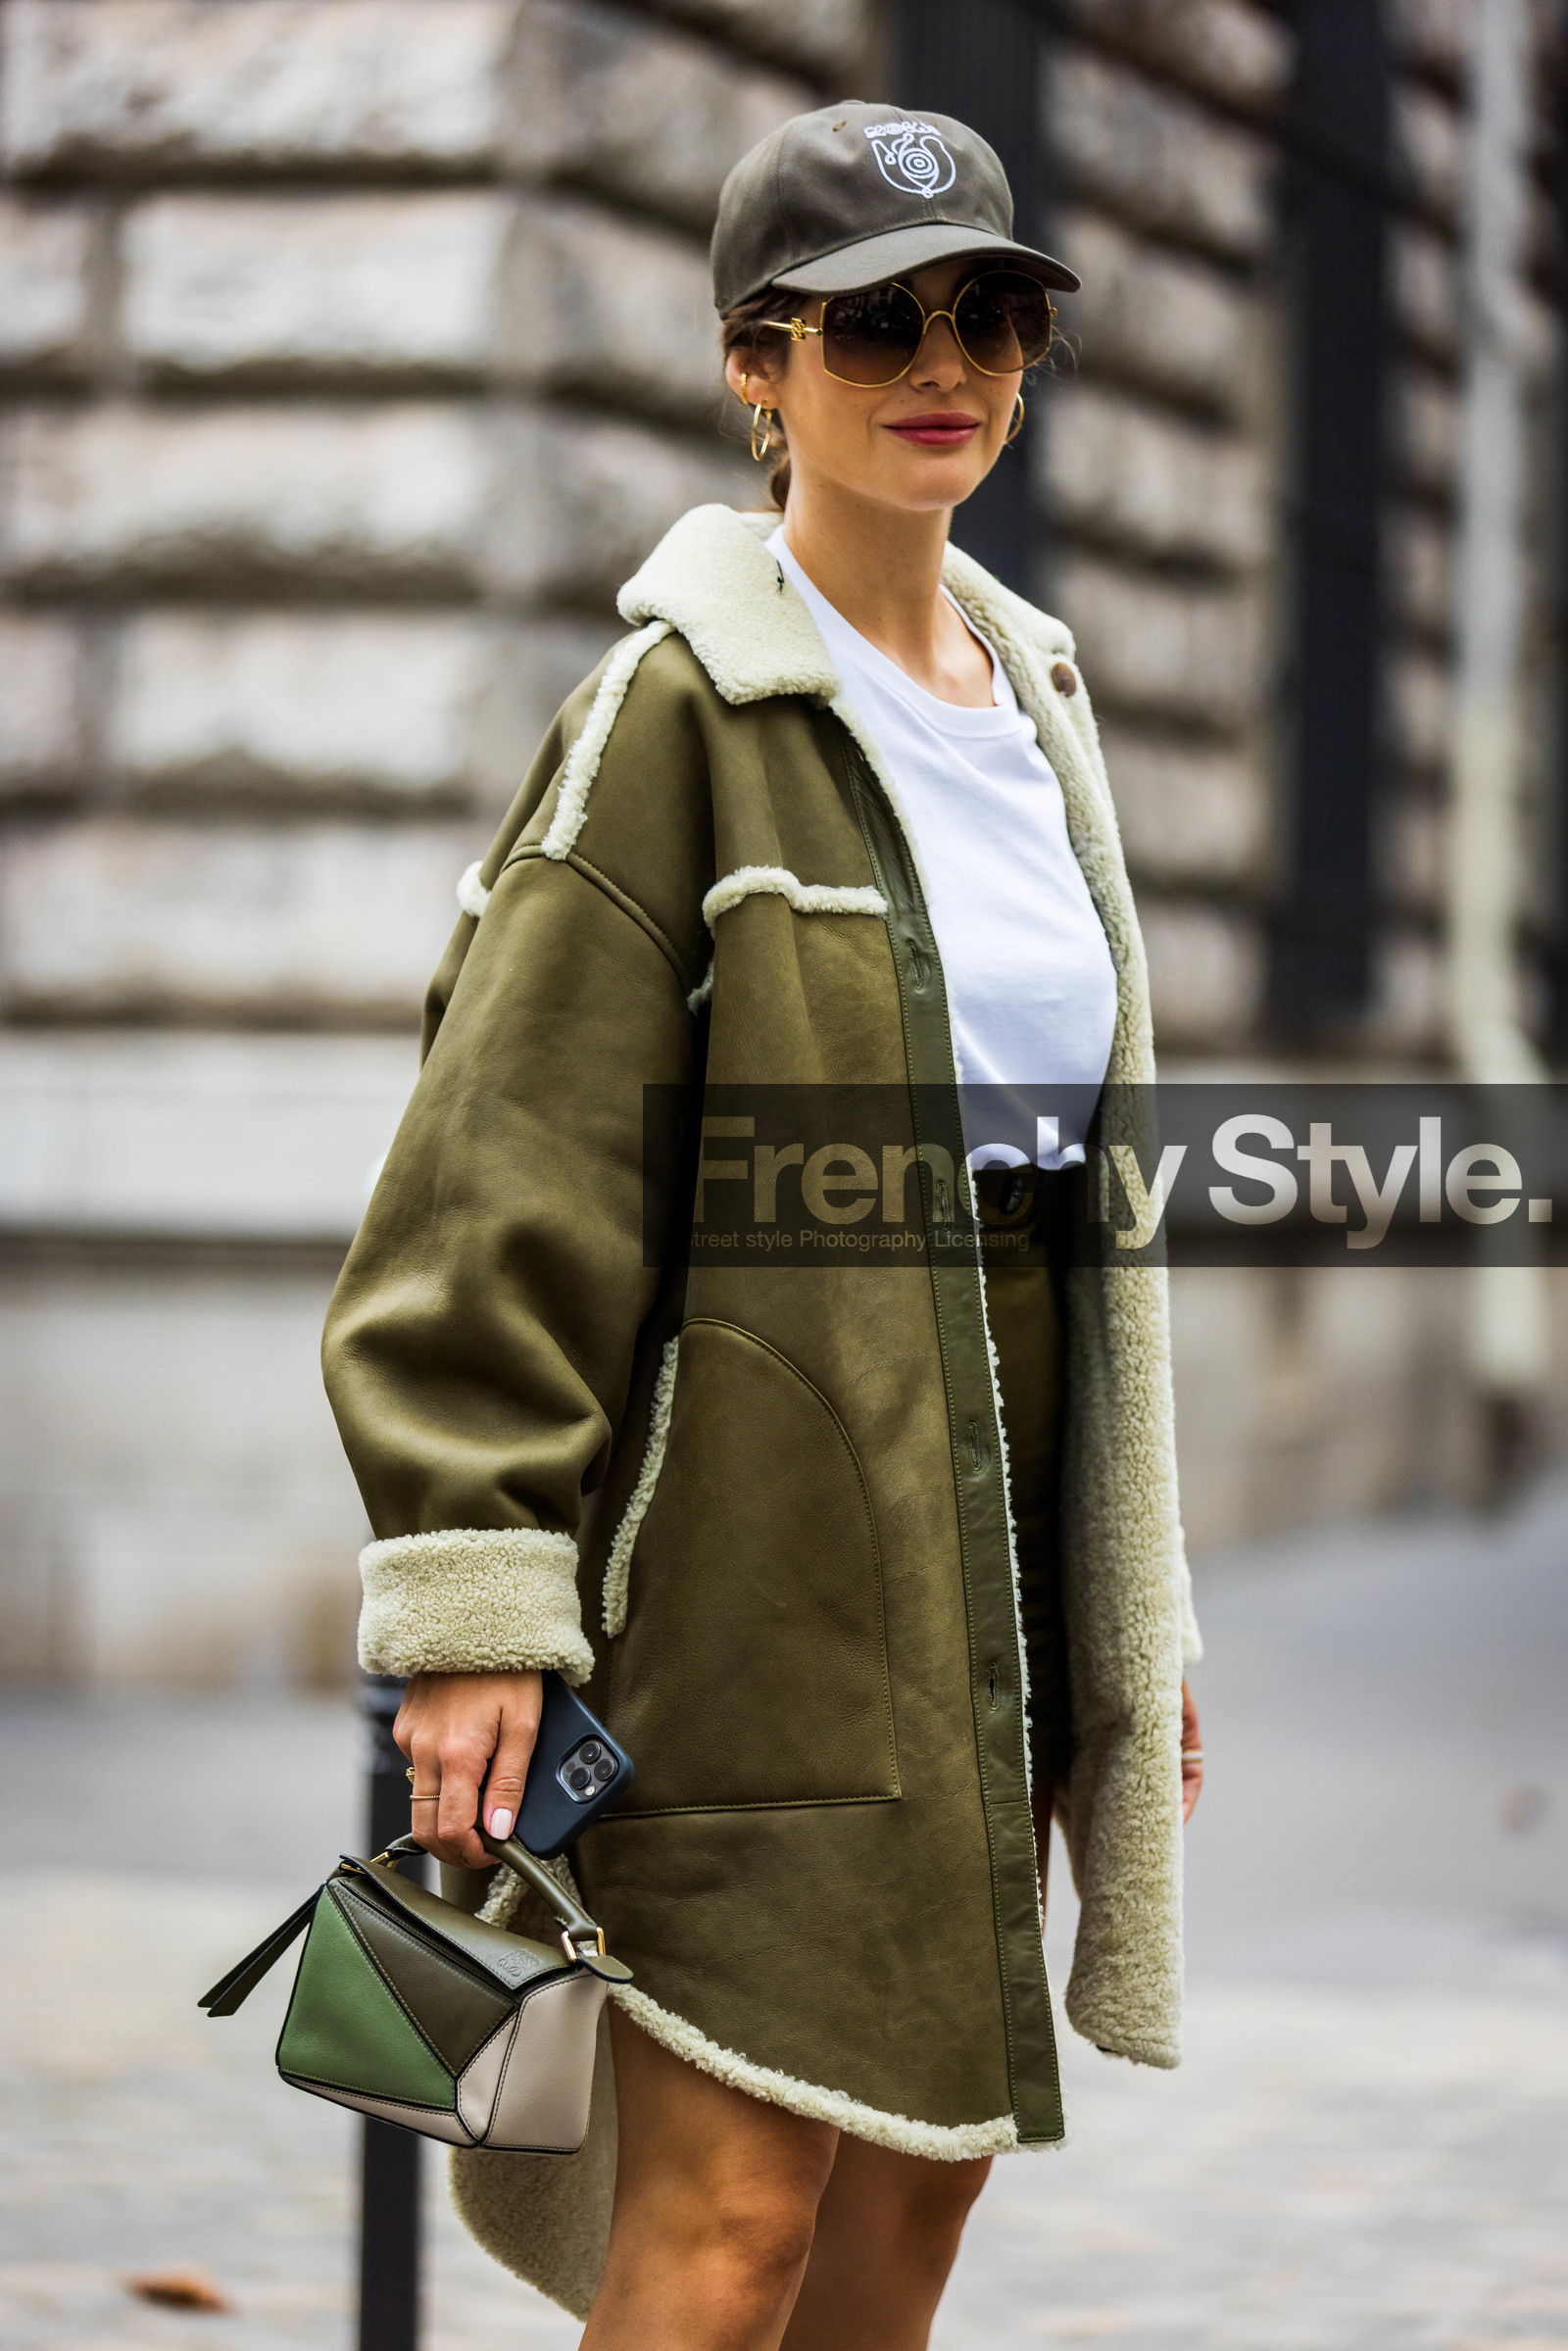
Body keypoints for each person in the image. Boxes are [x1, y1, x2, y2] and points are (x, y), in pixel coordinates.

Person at [321, 99, 1204, 2351]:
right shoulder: (674, 710)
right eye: (877, 321)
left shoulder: (1038, 709)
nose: (946, 363)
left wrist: (1135, 1621)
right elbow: (494, 1172)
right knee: (722, 2238)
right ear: (755, 362)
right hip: (747, 1586)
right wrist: (471, 1599)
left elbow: (1084, 1233)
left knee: (900, 2228)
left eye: (990, 314)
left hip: (985, 1578)